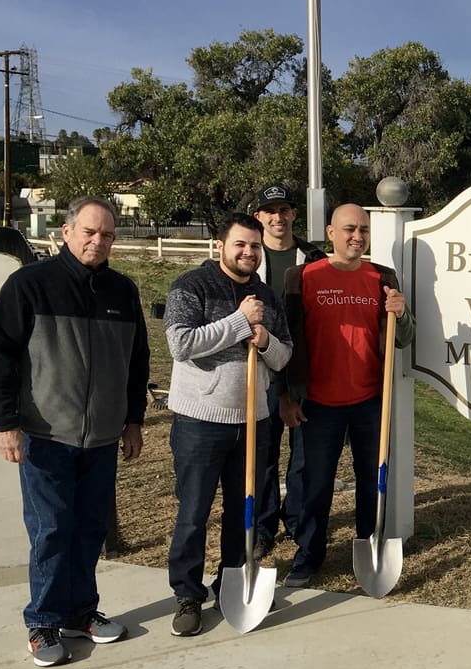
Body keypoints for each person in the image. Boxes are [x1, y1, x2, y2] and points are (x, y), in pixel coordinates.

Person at [0, 196, 149, 666]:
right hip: (45, 435)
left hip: (100, 440)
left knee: (90, 528)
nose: (99, 241)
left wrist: (133, 420)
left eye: (108, 234)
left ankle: (80, 612)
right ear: (66, 232)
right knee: (52, 529)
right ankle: (43, 622)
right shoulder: (30, 285)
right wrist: (5, 423)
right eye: (90, 232)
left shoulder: (122, 291)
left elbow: (137, 363)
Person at [164, 213, 292, 636]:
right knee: (194, 512)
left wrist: (266, 341)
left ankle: (232, 582)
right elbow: (181, 345)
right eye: (240, 244)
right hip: (201, 419)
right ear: (220, 245)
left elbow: (284, 356)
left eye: (255, 246)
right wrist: (239, 321)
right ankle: (187, 595)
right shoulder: (191, 286)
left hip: (252, 419)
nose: (248, 253)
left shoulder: (267, 296)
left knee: (244, 511)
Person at [281, 203, 415, 588]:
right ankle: (309, 555)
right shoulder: (302, 278)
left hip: (370, 401)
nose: (358, 236)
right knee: (315, 484)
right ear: (330, 233)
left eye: (364, 230)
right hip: (318, 404)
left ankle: (369, 543)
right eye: (349, 229)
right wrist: (288, 396)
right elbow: (288, 340)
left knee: (372, 479)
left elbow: (405, 339)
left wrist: (401, 313)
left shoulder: (382, 278)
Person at [251, 183, 325, 558]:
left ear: (294, 213)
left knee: (303, 453)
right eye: (270, 211)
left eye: (284, 210)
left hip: (301, 369)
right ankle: (262, 527)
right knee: (263, 452)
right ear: (259, 216)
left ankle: (296, 519)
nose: (278, 218)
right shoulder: (249, 255)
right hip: (257, 369)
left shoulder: (312, 257)